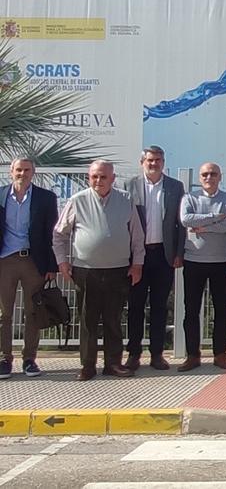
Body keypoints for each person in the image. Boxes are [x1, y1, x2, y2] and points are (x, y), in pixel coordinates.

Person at [52, 160, 144, 380]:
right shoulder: (77, 200)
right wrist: (62, 262)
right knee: (87, 319)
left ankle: (113, 363)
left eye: (103, 177)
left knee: (113, 319)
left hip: (118, 270)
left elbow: (137, 236)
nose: (98, 181)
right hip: (86, 270)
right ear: (88, 178)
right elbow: (59, 234)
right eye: (94, 176)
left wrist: (137, 264)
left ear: (112, 178)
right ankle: (87, 365)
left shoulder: (126, 200)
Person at [123, 145, 186, 372]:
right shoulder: (130, 185)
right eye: (150, 160)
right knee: (136, 307)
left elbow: (181, 224)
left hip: (163, 255)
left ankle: (157, 354)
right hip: (137, 256)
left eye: (158, 160)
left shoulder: (175, 187)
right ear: (142, 162)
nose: (154, 163)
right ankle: (133, 354)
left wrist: (179, 253)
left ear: (163, 162)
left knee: (160, 307)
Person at [177, 162, 226, 371]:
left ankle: (220, 355)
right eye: (205, 174)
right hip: (194, 261)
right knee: (191, 311)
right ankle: (193, 356)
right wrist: (215, 218)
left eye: (213, 174)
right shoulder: (190, 197)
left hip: (222, 262)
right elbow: (186, 219)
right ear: (199, 177)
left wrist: (203, 227)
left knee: (221, 311)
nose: (209, 177)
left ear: (220, 177)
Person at [0, 158, 57, 379]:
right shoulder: (2, 195)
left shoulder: (46, 198)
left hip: (34, 261)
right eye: (18, 170)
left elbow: (51, 234)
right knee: (4, 314)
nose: (22, 174)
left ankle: (29, 359)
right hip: (5, 260)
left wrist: (51, 265)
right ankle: (5, 359)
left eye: (26, 170)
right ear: (10, 171)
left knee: (33, 311)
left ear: (33, 172)